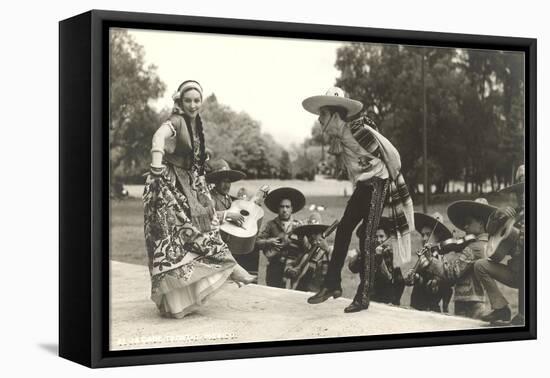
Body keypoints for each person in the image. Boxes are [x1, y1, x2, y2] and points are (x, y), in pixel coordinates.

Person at [143, 80, 255, 319]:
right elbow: (158, 136)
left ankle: (183, 299)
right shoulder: (176, 121)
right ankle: (230, 268)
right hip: (167, 185)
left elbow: (190, 156)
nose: (193, 105)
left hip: (187, 183)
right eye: (188, 100)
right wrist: (156, 161)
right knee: (175, 238)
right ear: (180, 102)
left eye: (197, 100)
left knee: (201, 228)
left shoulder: (195, 125)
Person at [302, 87, 414, 313]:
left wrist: (391, 180)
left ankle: (364, 296)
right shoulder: (341, 139)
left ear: (335, 116)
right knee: (343, 229)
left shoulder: (359, 131)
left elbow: (392, 156)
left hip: (379, 184)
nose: (319, 120)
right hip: (365, 186)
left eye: (322, 115)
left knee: (367, 237)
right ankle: (332, 284)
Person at [423, 198, 496, 319]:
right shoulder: (486, 244)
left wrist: (431, 260)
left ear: (481, 224)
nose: (465, 226)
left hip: (468, 303)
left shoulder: (474, 248)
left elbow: (452, 273)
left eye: (468, 222)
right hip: (476, 299)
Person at [474, 165, 525, 325]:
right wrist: (496, 216)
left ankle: (524, 315)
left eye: (525, 189)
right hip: (515, 272)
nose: (522, 195)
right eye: (519, 191)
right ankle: (501, 309)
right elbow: (489, 231)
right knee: (480, 265)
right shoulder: (514, 214)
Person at [255, 187, 305, 288]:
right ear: (278, 208)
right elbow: (257, 242)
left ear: (292, 209)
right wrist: (269, 241)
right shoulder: (270, 224)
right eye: (282, 207)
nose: (284, 210)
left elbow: (306, 248)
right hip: (274, 267)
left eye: (287, 207)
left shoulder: (299, 226)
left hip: (293, 269)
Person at [350, 217, 405, 305]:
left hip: (386, 299)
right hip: (368, 298)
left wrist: (395, 300)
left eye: (381, 236)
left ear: (387, 237)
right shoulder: (365, 254)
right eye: (375, 237)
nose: (378, 240)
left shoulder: (391, 255)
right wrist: (361, 255)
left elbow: (398, 281)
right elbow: (353, 268)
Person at [406, 212, 454, 313]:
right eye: (422, 235)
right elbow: (416, 282)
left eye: (428, 234)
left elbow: (447, 286)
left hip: (431, 310)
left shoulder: (442, 257)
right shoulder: (423, 256)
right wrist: (412, 277)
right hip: (415, 306)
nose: (424, 238)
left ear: (438, 236)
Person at [285, 212, 332, 293]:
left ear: (322, 234)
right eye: (310, 233)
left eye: (317, 233)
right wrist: (291, 271)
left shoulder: (328, 251)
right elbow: (288, 266)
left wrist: (326, 249)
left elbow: (336, 269)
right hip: (298, 293)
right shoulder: (300, 249)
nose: (313, 236)